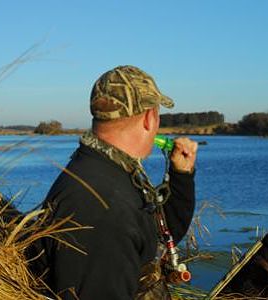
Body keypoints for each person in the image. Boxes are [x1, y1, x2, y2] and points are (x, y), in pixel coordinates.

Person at [40, 65, 198, 299]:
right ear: (149, 118)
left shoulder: (106, 169)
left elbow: (158, 235)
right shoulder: (100, 205)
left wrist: (181, 177)